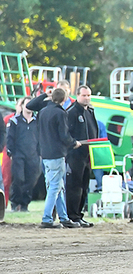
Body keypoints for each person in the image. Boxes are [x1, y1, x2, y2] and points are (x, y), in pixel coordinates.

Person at [39, 88, 82, 228]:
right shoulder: (60, 113)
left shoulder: (43, 111)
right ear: (64, 99)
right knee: (55, 187)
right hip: (57, 154)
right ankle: (47, 218)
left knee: (58, 187)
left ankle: (63, 217)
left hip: (45, 154)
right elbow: (64, 135)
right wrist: (74, 143)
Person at [65, 85, 98, 228]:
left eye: (89, 95)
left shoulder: (90, 111)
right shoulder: (71, 112)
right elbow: (66, 133)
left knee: (84, 186)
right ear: (77, 96)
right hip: (75, 155)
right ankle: (72, 216)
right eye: (84, 95)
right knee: (74, 186)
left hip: (88, 155)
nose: (87, 98)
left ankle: (79, 215)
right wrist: (73, 144)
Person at [6, 96, 40, 212]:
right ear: (22, 106)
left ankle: (25, 204)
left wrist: (40, 152)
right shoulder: (15, 121)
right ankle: (15, 203)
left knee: (31, 180)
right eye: (27, 104)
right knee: (19, 179)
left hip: (33, 156)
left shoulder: (37, 121)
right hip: (18, 155)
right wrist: (10, 152)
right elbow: (9, 138)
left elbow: (40, 138)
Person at [2, 98, 24, 204]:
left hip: (23, 153)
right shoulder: (8, 119)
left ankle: (20, 203)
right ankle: (5, 203)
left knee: (21, 178)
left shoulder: (30, 120)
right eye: (20, 104)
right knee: (6, 178)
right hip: (8, 151)